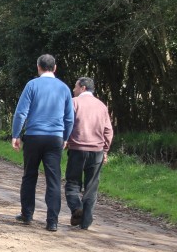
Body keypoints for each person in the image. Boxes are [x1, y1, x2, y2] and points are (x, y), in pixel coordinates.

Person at [11, 54, 74, 232]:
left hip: (33, 136)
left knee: (29, 175)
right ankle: (52, 221)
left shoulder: (32, 85)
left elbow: (21, 112)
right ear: (55, 68)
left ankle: (27, 214)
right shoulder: (64, 88)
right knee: (53, 179)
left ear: (38, 67)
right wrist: (65, 137)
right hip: (55, 138)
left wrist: (16, 134)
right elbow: (69, 118)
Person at [65, 77, 113, 230]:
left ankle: (76, 207)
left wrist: (65, 139)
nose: (73, 89)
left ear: (83, 88)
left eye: (75, 86)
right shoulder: (102, 106)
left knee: (72, 183)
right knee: (91, 187)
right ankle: (85, 223)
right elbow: (108, 131)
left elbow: (67, 123)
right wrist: (105, 150)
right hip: (96, 151)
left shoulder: (74, 102)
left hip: (77, 149)